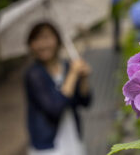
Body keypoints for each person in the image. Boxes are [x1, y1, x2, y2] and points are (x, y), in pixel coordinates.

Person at [24, 22, 92, 155]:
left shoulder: (67, 66)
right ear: (31, 45)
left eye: (46, 37)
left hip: (72, 136)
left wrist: (84, 78)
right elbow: (54, 108)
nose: (42, 44)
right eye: (36, 39)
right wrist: (73, 74)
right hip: (47, 145)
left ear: (57, 39)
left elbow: (85, 102)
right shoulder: (33, 74)